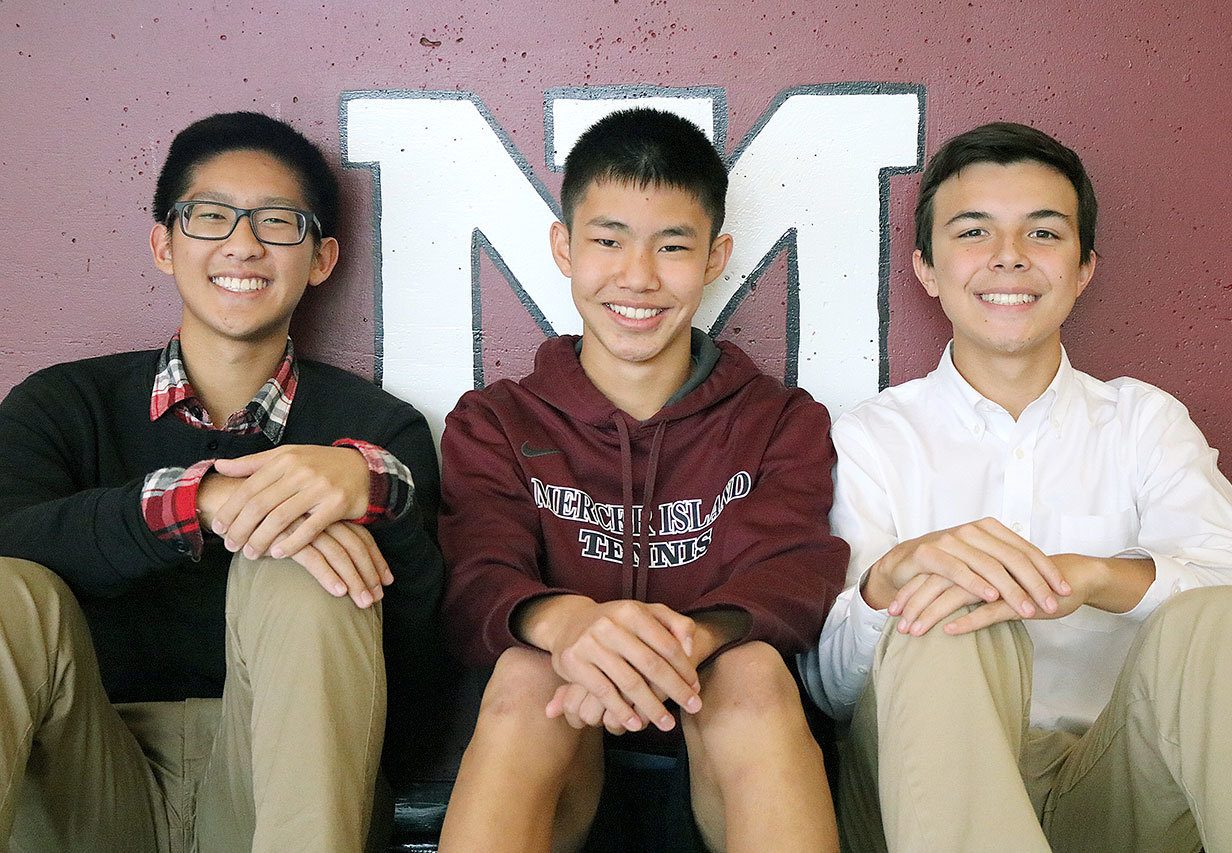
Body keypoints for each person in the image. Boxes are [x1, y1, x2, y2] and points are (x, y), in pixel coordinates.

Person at [801, 121, 1232, 852]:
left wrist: (1097, 577)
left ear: (1084, 266)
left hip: (1115, 790)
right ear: (926, 268)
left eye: (1044, 234)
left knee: (1224, 616)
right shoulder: (870, 437)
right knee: (940, 606)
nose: (1009, 258)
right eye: (974, 232)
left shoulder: (1142, 420)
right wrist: (892, 577)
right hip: (925, 793)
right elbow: (830, 688)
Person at [0, 111, 444, 852]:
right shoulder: (62, 404)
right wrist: (198, 500)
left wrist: (370, 488)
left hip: (286, 789)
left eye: (277, 222)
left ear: (322, 258)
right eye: (211, 216)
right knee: (8, 587)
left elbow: (428, 658)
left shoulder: (373, 428)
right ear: (163, 244)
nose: (243, 243)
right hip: (80, 783)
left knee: (305, 567)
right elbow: (12, 535)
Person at [436, 107, 847, 853]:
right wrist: (572, 628)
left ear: (717, 256)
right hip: (555, 762)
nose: (638, 276)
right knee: (529, 674)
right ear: (564, 247)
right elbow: (475, 576)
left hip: (724, 760)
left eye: (673, 246)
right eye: (608, 240)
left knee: (751, 669)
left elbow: (792, 576)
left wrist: (675, 644)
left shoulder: (780, 419)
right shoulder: (495, 419)